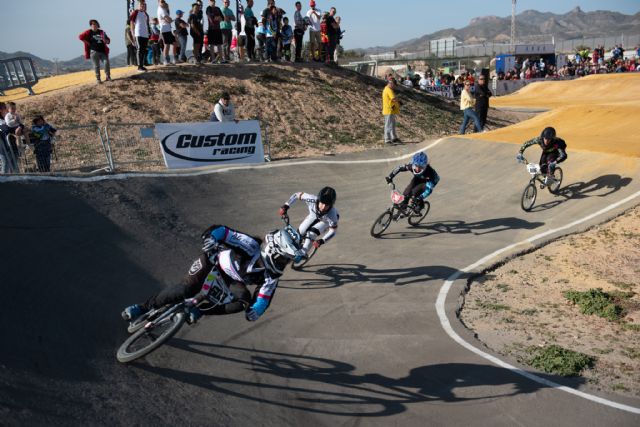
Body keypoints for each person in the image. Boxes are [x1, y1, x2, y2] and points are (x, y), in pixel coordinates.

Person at [121, 224, 304, 324]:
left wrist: (255, 311)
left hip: (231, 279)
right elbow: (222, 231)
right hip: (213, 261)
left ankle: (199, 310)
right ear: (273, 250)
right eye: (284, 259)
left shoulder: (272, 276)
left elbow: (263, 299)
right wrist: (211, 238)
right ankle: (144, 307)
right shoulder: (250, 245)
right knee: (186, 289)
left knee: (243, 302)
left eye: (287, 260)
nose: (285, 264)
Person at [278, 187, 339, 256]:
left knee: (312, 233)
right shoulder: (311, 199)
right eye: (322, 203)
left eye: (327, 205)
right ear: (318, 200)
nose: (323, 207)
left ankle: (302, 253)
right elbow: (297, 195)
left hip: (324, 222)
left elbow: (333, 230)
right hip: (312, 216)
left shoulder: (333, 215)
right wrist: (286, 205)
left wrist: (322, 240)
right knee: (300, 233)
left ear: (331, 205)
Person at [78, 20, 111, 84]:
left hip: (102, 51)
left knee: (106, 62)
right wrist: (87, 42)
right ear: (90, 25)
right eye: (92, 24)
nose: (93, 25)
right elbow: (80, 37)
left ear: (97, 25)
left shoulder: (101, 32)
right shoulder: (89, 32)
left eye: (95, 24)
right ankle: (98, 79)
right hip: (94, 51)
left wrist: (106, 41)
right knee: (96, 66)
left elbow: (108, 40)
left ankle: (108, 76)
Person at [130, 0, 151, 72]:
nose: (142, 6)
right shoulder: (136, 12)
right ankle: (139, 66)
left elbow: (147, 24)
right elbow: (131, 22)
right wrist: (133, 33)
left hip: (145, 34)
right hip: (138, 33)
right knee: (139, 49)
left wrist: (149, 33)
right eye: (141, 5)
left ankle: (142, 65)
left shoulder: (146, 14)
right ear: (138, 5)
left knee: (144, 50)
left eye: (144, 5)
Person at [157, 0, 178, 65]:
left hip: (168, 29)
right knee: (167, 45)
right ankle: (166, 60)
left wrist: (167, 9)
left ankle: (174, 59)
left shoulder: (164, 9)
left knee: (174, 43)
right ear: (158, 2)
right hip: (164, 30)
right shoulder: (161, 10)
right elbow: (169, 20)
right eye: (161, 1)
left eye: (164, 1)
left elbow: (168, 19)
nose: (163, 2)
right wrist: (174, 18)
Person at [382, 77, 401, 145]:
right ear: (391, 83)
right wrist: (399, 102)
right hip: (388, 110)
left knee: (392, 124)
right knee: (388, 125)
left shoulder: (388, 89)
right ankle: (387, 139)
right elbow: (393, 99)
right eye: (394, 85)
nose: (394, 87)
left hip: (391, 110)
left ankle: (393, 138)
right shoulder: (388, 90)